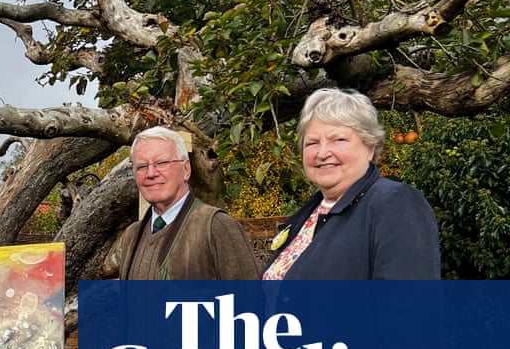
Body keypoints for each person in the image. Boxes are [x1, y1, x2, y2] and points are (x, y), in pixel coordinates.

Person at [263, 88, 440, 279]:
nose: (322, 153)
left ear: (370, 147)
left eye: (338, 140)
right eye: (312, 143)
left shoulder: (394, 204)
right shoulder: (311, 213)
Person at [105, 126, 261, 280]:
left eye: (162, 163)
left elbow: (250, 302)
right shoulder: (131, 236)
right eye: (142, 166)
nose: (151, 173)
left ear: (186, 169)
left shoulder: (217, 226)